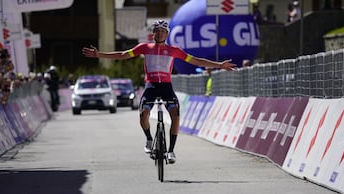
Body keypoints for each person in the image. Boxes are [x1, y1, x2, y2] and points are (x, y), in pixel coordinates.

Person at [82, 20, 236, 164]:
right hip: (151, 86)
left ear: (167, 34)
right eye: (157, 31)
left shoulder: (174, 50)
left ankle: (171, 151)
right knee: (143, 114)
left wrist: (219, 65)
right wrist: (99, 54)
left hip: (166, 87)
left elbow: (196, 60)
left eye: (163, 31)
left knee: (175, 116)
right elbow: (122, 55)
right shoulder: (144, 48)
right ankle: (149, 139)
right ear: (153, 34)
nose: (160, 33)